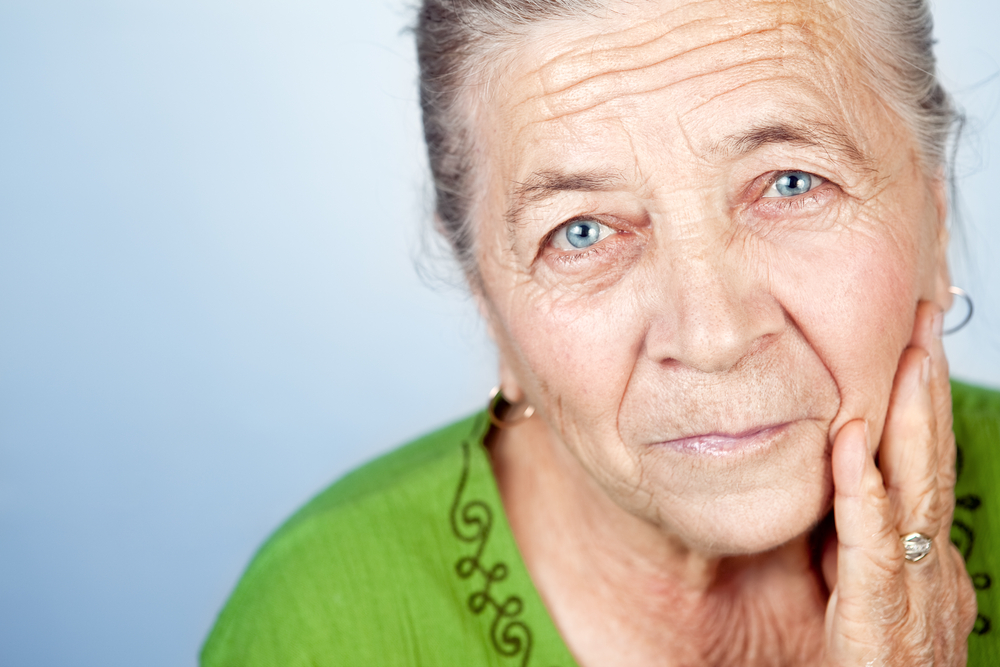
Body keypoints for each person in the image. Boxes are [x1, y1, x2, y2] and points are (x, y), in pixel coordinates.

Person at [201, 0, 1000, 664]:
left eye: (792, 183)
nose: (712, 336)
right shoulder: (318, 623)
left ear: (932, 220)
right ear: (488, 304)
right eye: (580, 232)